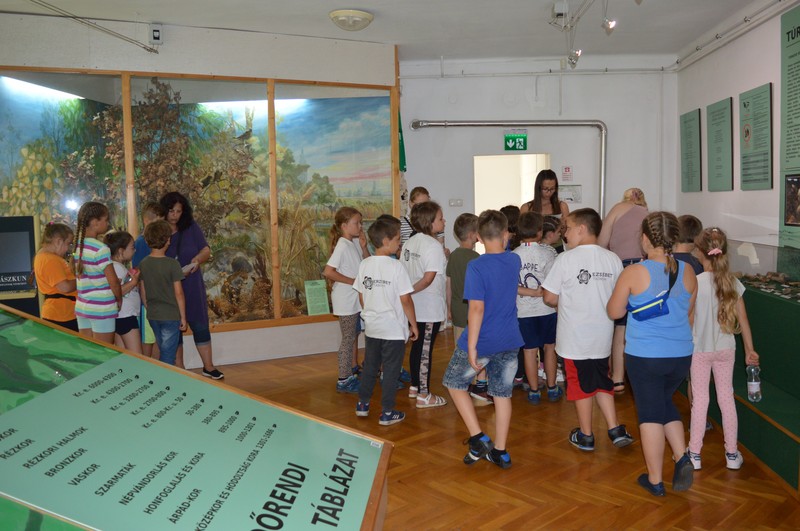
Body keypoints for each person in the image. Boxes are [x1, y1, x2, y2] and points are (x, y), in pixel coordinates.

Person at [607, 211, 698, 497]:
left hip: (646, 356)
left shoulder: (634, 272)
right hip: (680, 354)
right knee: (663, 401)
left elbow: (614, 312)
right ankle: (682, 456)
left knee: (649, 414)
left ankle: (655, 479)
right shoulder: (688, 271)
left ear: (645, 238)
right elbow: (689, 314)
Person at [542, 208, 633, 453]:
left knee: (580, 385)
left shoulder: (565, 259)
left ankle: (586, 435)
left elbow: (549, 297)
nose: (565, 234)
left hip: (574, 339)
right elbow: (619, 296)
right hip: (602, 336)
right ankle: (614, 428)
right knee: (602, 380)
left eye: (568, 228)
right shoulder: (612, 259)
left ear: (581, 229)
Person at [443, 209, 523, 469]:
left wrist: (472, 346)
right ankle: (501, 451)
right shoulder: (514, 260)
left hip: (484, 339)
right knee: (501, 394)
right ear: (506, 233)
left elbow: (476, 309)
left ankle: (478, 438)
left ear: (478, 236)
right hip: (510, 338)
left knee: (454, 383)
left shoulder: (476, 266)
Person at [688, 227, 759, 471]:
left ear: (700, 252)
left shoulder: (695, 283)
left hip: (700, 350)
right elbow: (744, 320)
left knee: (700, 400)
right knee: (726, 398)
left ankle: (694, 454)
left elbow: (689, 319)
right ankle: (731, 454)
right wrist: (750, 350)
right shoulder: (733, 282)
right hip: (726, 350)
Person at [353, 218, 419, 425]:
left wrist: (372, 312)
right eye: (398, 239)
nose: (400, 243)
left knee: (370, 366)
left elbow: (362, 296)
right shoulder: (397, 267)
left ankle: (362, 404)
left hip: (373, 327)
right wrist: (413, 324)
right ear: (386, 241)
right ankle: (387, 412)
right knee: (391, 370)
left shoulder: (365, 264)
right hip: (393, 329)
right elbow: (406, 300)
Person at [160, 192, 223, 379]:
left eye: (178, 211)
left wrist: (197, 260)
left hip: (192, 284)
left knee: (200, 325)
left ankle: (208, 366)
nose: (175, 215)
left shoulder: (191, 227)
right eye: (171, 211)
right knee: (174, 326)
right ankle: (180, 368)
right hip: (169, 287)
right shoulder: (159, 230)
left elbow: (206, 249)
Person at [597, 187, 649, 395]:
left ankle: (617, 378)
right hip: (645, 269)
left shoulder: (617, 209)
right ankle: (637, 376)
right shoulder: (647, 213)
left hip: (621, 268)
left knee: (620, 325)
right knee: (640, 322)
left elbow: (601, 242)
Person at [402, 200, 448, 408]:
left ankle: (414, 386)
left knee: (417, 347)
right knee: (424, 351)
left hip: (413, 307)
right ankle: (423, 395)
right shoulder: (433, 245)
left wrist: (407, 292)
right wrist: (410, 290)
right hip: (428, 307)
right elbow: (428, 279)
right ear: (430, 222)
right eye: (440, 218)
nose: (444, 221)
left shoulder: (409, 242)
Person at [513, 212, 561, 404]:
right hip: (547, 310)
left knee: (529, 351)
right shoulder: (548, 253)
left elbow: (510, 285)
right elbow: (554, 284)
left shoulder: (513, 255)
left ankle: (533, 390)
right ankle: (552, 387)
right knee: (550, 348)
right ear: (540, 232)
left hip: (523, 312)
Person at [323, 206, 369, 394]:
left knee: (353, 336)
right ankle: (343, 379)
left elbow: (367, 264)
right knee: (348, 339)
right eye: (356, 223)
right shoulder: (342, 245)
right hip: (346, 300)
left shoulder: (353, 243)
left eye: (360, 223)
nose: (360, 226)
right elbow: (328, 272)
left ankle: (352, 370)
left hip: (354, 300)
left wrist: (364, 247)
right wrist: (353, 282)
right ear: (344, 226)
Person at [446, 214, 489, 403]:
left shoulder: (453, 256)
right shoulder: (476, 258)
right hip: (473, 312)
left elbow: (449, 284)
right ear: (473, 235)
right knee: (478, 347)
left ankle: (463, 381)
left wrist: (448, 308)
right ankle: (481, 385)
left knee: (461, 348)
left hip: (457, 309)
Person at [138, 220, 187, 366]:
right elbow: (179, 293)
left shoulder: (144, 263)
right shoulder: (173, 264)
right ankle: (165, 379)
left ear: (147, 240)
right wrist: (183, 317)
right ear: (168, 240)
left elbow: (143, 290)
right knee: (168, 356)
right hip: (170, 315)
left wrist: (149, 308)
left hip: (153, 315)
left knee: (163, 350)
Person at [73, 201, 121, 345]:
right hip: (102, 308)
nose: (108, 223)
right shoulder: (101, 248)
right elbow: (113, 282)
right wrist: (119, 299)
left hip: (83, 307)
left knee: (88, 352)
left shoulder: (78, 246)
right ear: (95, 222)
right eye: (106, 220)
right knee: (103, 352)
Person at [133, 201, 166, 359]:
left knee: (158, 336)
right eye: (158, 222)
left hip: (160, 297)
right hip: (148, 300)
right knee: (147, 338)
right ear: (147, 221)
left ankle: (157, 366)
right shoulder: (141, 242)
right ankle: (146, 365)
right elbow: (138, 272)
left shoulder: (160, 242)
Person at [34, 223, 78, 332]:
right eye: (68, 244)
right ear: (58, 241)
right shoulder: (50, 260)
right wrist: (81, 280)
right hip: (61, 314)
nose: (68, 249)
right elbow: (65, 287)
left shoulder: (45, 257)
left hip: (61, 312)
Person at [105, 231, 142, 354]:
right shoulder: (117, 267)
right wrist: (133, 282)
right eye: (132, 248)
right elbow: (116, 291)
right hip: (125, 316)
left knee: (123, 355)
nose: (134, 250)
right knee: (136, 355)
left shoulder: (116, 266)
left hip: (121, 316)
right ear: (121, 251)